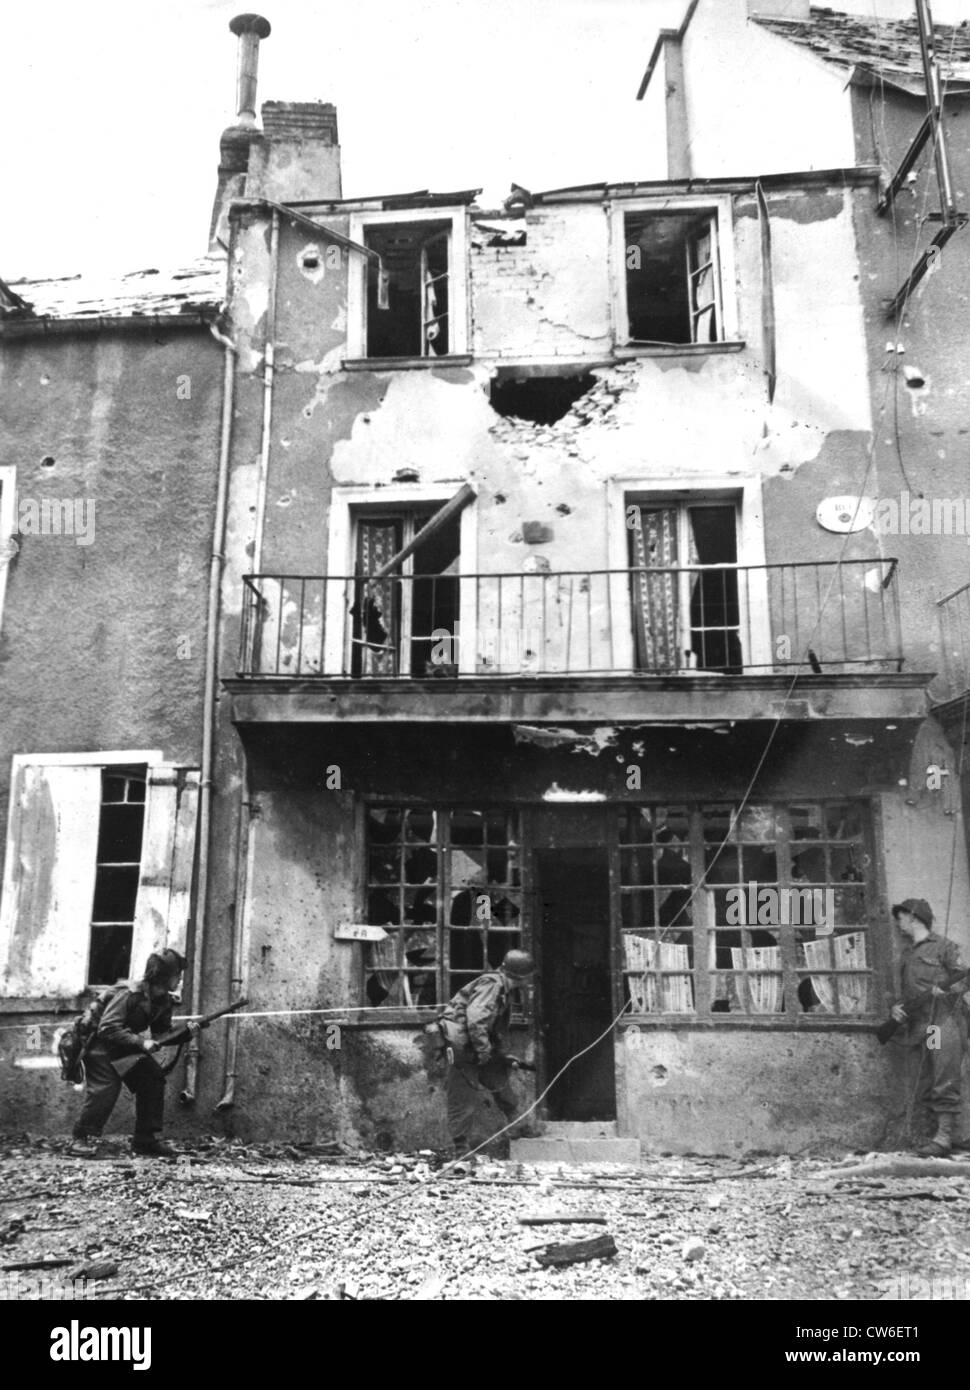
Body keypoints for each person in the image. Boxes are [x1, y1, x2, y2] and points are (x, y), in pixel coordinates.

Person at [68, 949, 199, 1159]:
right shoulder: (130, 994)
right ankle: (79, 1138)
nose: (180, 979)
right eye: (177, 974)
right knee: (106, 1088)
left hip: (124, 1044)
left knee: (152, 1077)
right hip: (98, 1044)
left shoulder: (163, 1000)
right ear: (163, 976)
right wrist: (140, 1042)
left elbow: (162, 1033)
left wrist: (188, 1031)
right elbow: (107, 1028)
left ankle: (145, 1140)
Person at [437, 949, 535, 1160]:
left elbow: (491, 1026)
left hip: (476, 1044)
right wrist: (483, 1050)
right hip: (463, 1047)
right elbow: (476, 1018)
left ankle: (518, 1127)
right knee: (462, 1098)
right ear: (521, 976)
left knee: (500, 1082)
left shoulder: (503, 989)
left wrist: (499, 1054)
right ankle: (461, 1151)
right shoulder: (492, 985)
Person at [890, 899, 968, 1156]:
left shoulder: (944, 947)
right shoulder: (907, 954)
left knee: (943, 1074)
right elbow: (907, 990)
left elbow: (964, 977)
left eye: (900, 917)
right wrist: (897, 1008)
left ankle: (944, 1138)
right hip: (919, 1025)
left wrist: (945, 991)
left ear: (913, 917)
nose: (898, 924)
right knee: (926, 1076)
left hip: (941, 1022)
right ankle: (930, 1137)